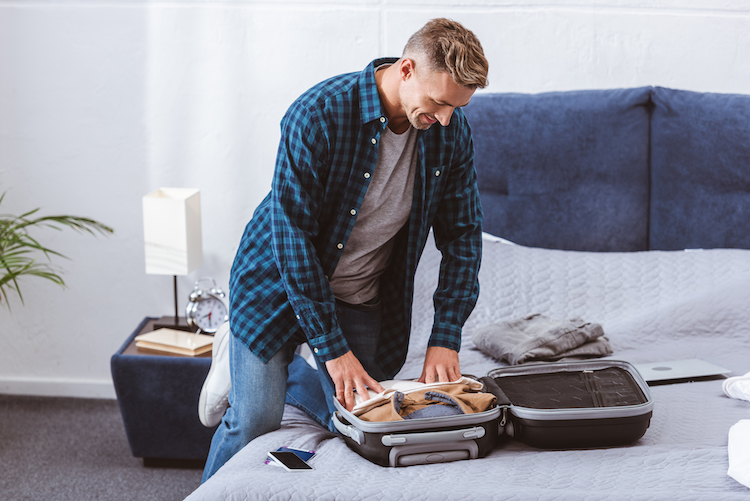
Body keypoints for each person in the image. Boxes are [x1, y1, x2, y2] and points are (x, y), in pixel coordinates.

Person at [199, 17, 489, 482]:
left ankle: (296, 378)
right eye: (438, 103)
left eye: (457, 107)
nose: (446, 119)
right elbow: (291, 237)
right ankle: (244, 359)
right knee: (255, 420)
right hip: (277, 284)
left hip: (359, 292)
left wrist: (445, 336)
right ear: (407, 68)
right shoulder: (318, 113)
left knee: (365, 417)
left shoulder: (450, 132)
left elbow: (463, 236)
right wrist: (334, 351)